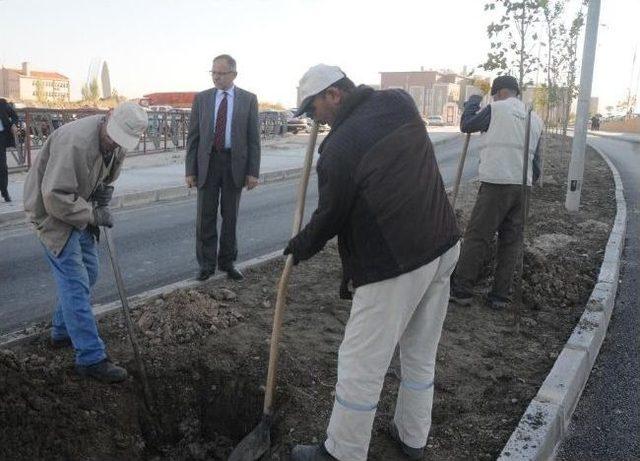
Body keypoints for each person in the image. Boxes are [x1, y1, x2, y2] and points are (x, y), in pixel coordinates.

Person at [283, 64, 461, 461]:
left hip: (395, 263)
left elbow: (330, 216)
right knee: (419, 350)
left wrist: (299, 247)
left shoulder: (338, 149)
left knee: (360, 361)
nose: (315, 120)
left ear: (333, 94)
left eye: (313, 110)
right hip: (443, 243)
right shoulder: (398, 101)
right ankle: (413, 438)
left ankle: (342, 452)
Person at [23, 102, 148, 383]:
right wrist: (93, 213)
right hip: (52, 213)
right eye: (111, 138)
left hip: (78, 207)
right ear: (108, 118)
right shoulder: (75, 143)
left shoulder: (118, 142)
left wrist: (103, 191)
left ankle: (62, 330)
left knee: (88, 273)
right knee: (75, 282)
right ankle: (90, 358)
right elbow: (53, 197)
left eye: (120, 143)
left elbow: (108, 171)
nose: (113, 144)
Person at [449, 75, 544, 310]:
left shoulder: (496, 109)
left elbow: (467, 125)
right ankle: (499, 297)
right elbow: (537, 164)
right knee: (511, 242)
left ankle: (462, 291)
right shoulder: (535, 119)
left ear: (499, 92)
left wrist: (472, 101)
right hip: (523, 187)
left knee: (478, 236)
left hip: (496, 184)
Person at [186, 54, 261, 282]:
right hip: (207, 163)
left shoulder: (248, 99)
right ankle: (206, 265)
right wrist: (190, 170)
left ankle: (227, 262)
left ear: (233, 74)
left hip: (234, 164)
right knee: (205, 217)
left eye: (221, 73)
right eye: (213, 73)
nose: (216, 77)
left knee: (230, 217)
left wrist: (252, 172)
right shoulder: (203, 99)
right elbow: (193, 137)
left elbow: (253, 139)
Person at [0, 98, 19, 202]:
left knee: (2, 166)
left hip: (1, 137)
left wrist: (13, 124)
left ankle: (4, 191)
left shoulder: (2, 104)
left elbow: (14, 116)